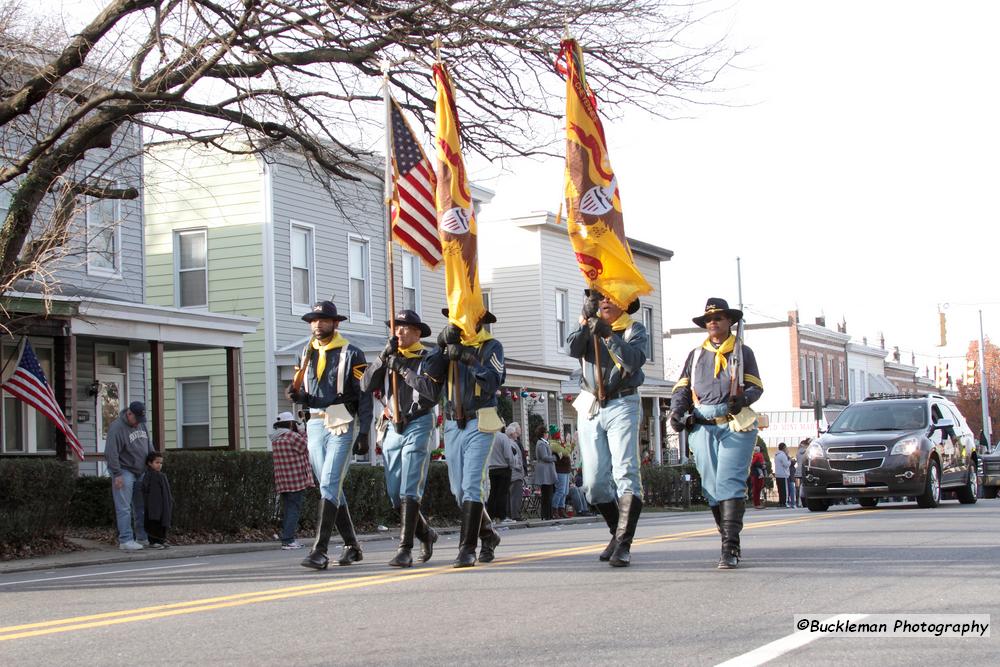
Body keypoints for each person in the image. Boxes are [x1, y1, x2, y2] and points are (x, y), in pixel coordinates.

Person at [669, 298, 764, 569]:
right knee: (711, 488)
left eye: (719, 317)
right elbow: (682, 389)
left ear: (729, 322)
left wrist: (743, 398)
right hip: (702, 425)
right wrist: (677, 412)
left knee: (729, 482)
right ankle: (726, 535)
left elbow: (757, 387)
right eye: (709, 318)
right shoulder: (695, 355)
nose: (713, 321)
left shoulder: (743, 352)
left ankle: (730, 548)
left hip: (734, 423)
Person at [286, 300, 373, 570]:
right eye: (313, 320)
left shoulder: (352, 353)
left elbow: (364, 395)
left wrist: (365, 431)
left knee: (329, 483)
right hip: (313, 420)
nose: (316, 324)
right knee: (329, 485)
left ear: (336, 323)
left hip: (341, 421)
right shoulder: (305, 352)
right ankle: (352, 546)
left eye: (322, 320)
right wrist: (297, 395)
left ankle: (319, 550)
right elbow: (304, 389)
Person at [567, 289, 648, 567]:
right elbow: (572, 349)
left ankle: (624, 544)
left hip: (622, 402)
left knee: (625, 471)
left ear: (624, 302)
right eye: (599, 297)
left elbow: (633, 361)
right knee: (594, 484)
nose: (604, 301)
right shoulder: (588, 325)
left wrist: (607, 335)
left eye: (611, 297)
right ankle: (617, 531)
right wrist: (587, 322)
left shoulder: (634, 329)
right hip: (591, 403)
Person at [361, 309, 446, 567]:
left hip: (418, 421)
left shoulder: (430, 356)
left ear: (418, 332)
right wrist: (382, 358)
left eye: (405, 327)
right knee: (394, 492)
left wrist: (404, 370)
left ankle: (404, 548)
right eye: (396, 327)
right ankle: (426, 534)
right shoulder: (388, 356)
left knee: (410, 485)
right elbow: (365, 385)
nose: (399, 331)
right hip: (391, 426)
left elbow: (431, 393)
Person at [437, 308, 506, 567]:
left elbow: (493, 380)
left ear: (479, 320)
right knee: (458, 490)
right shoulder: (448, 345)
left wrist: (468, 358)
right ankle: (488, 534)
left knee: (472, 485)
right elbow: (430, 374)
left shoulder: (492, 347)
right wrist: (440, 344)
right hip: (454, 424)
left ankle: (467, 549)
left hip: (481, 419)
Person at [104, 401, 154, 551]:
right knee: (124, 507)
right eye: (136, 419)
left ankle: (141, 537)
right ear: (129, 413)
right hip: (124, 471)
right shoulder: (117, 428)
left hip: (142, 470)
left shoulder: (141, 424)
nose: (138, 422)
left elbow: (148, 444)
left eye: (141, 420)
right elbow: (111, 453)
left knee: (141, 506)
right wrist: (117, 474)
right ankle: (126, 539)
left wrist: (153, 462)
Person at [270, 411, 314, 550]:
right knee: (293, 510)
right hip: (296, 480)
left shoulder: (275, 438)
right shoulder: (291, 436)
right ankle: (288, 540)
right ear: (290, 423)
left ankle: (287, 538)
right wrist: (303, 431)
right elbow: (307, 446)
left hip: (283, 480)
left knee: (288, 509)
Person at [141, 451, 173, 549]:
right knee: (154, 522)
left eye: (161, 463)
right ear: (150, 463)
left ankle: (161, 540)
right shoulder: (149, 475)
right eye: (157, 462)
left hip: (162, 504)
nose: (159, 465)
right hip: (153, 505)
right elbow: (145, 490)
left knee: (162, 522)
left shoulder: (160, 475)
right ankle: (154, 541)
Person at [487, 424, 518, 523]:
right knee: (502, 493)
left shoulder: (488, 437)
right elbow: (508, 455)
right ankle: (501, 517)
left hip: (492, 468)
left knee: (493, 493)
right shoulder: (502, 437)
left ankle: (490, 516)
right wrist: (512, 464)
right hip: (503, 468)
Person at [533, 424, 557, 520]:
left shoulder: (544, 443)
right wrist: (554, 458)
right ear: (543, 434)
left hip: (547, 471)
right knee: (547, 494)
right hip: (545, 472)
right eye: (546, 432)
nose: (548, 434)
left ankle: (548, 514)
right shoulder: (541, 444)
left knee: (549, 494)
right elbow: (544, 457)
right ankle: (546, 515)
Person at [551, 427, 574, 519]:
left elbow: (569, 451)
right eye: (558, 432)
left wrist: (573, 443)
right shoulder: (553, 444)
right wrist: (568, 442)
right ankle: (555, 510)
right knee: (560, 491)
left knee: (565, 492)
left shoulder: (559, 443)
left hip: (566, 470)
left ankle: (561, 509)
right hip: (560, 471)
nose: (559, 434)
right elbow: (565, 452)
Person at [505, 423, 526, 521]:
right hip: (515, 473)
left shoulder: (508, 443)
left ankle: (510, 514)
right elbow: (514, 458)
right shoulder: (512, 444)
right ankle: (515, 515)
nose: (516, 434)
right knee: (516, 495)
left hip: (511, 473)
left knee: (511, 495)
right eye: (514, 433)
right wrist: (519, 468)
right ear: (511, 434)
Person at [774, 443, 790, 508]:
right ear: (783, 448)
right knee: (784, 490)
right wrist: (790, 461)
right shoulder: (783, 455)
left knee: (780, 490)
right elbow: (786, 465)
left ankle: (781, 502)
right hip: (783, 474)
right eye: (786, 447)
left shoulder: (776, 455)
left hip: (777, 474)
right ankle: (784, 502)